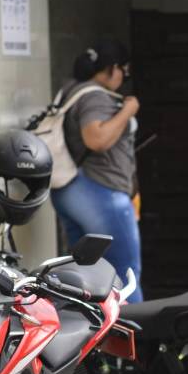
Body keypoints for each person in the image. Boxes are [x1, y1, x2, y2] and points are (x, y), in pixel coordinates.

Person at [51, 40, 146, 302]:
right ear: (113, 68)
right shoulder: (94, 95)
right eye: (124, 70)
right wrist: (128, 110)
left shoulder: (71, 89)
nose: (124, 77)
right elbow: (96, 138)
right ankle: (135, 336)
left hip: (72, 191)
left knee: (85, 275)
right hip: (101, 192)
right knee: (126, 275)